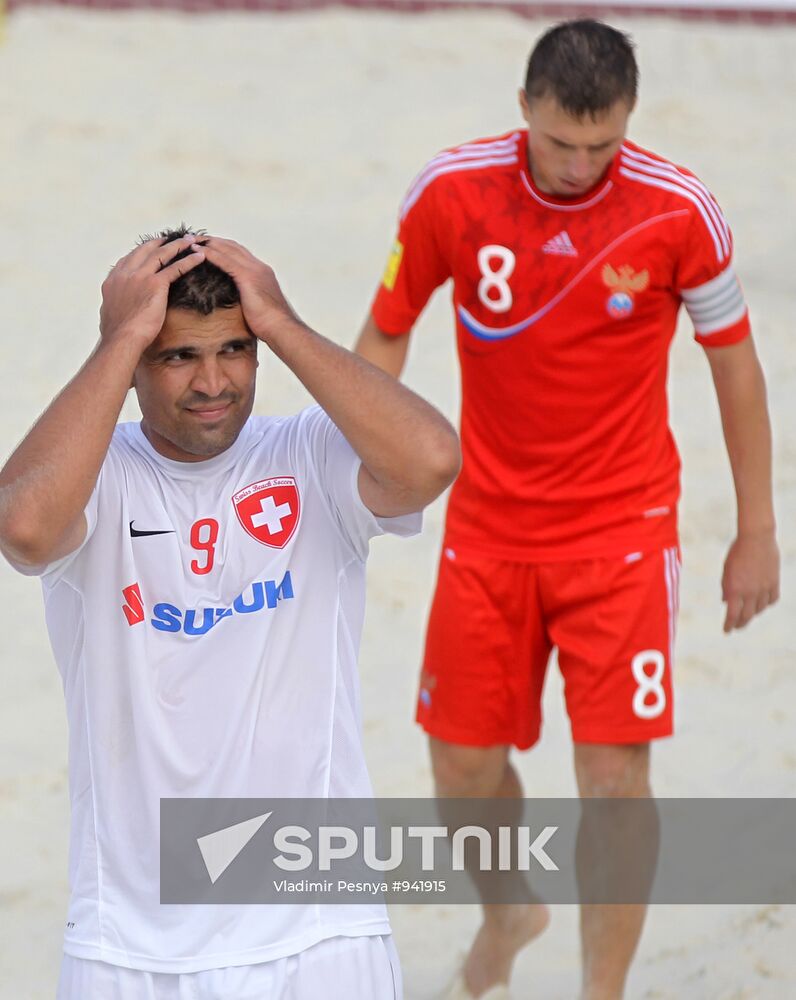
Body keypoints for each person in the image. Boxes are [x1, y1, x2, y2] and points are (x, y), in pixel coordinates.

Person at [355, 19, 779, 1000]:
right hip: (487, 528)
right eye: (559, 143)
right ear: (522, 111)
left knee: (615, 781)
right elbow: (380, 339)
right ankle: (510, 909)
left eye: (602, 145)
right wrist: (361, 485)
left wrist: (756, 531)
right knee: (459, 766)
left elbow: (738, 373)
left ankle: (601, 992)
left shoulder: (680, 211)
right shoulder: (449, 193)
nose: (581, 165)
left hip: (620, 534)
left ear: (627, 122)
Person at [0, 227, 461, 999]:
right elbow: (25, 530)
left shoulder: (312, 454)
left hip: (319, 936)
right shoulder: (94, 475)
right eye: (178, 355)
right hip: (129, 944)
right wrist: (118, 339)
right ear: (134, 362)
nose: (214, 381)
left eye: (235, 350)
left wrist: (281, 322)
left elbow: (431, 460)